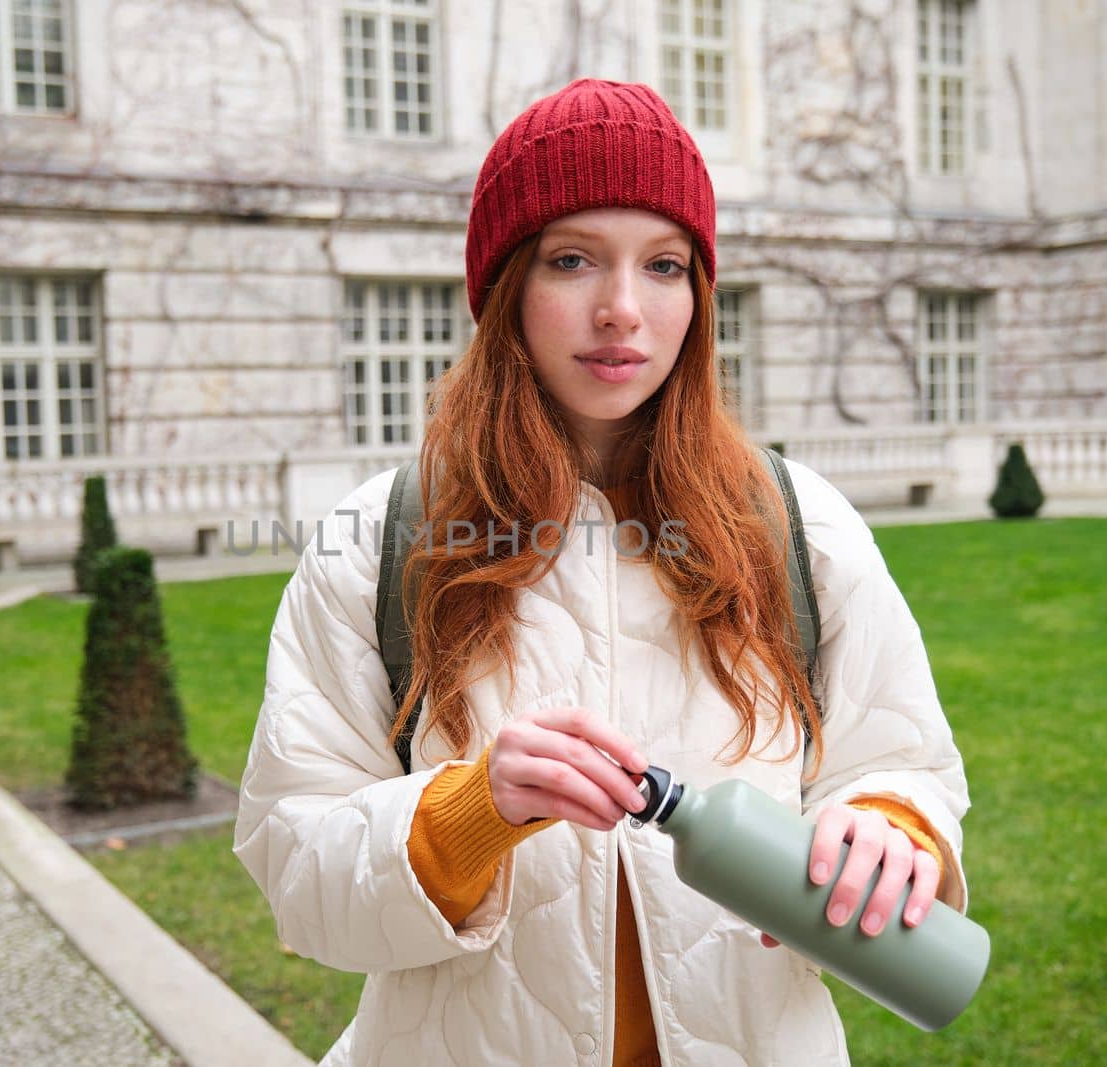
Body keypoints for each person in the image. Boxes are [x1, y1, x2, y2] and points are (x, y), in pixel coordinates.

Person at [235, 79, 970, 1066]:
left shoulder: (800, 524)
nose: (622, 309)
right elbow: (294, 866)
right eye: (572, 259)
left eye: (663, 265)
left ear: (698, 297)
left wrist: (886, 826)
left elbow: (902, 759)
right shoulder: (381, 538)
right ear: (505, 289)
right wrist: (468, 810)